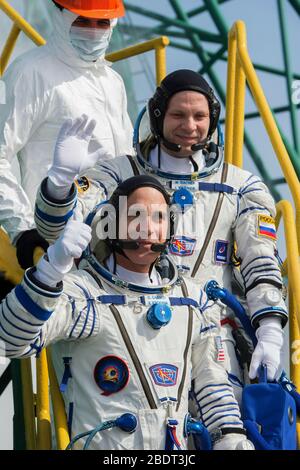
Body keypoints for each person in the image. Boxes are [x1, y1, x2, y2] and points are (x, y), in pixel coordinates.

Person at [34, 71, 288, 403]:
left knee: (227, 429)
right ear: (157, 116)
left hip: (213, 335)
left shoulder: (241, 187)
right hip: (130, 327)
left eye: (200, 116)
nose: (190, 125)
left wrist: (269, 332)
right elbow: (55, 230)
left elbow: (261, 260)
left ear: (212, 120)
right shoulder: (117, 175)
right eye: (178, 115)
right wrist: (60, 184)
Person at [0, 175, 253, 450]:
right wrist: (49, 271)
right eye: (135, 216)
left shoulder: (193, 301)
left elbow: (213, 386)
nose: (147, 228)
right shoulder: (84, 295)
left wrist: (230, 439)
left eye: (158, 218)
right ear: (110, 225)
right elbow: (12, 340)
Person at [0, 0, 133, 269]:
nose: (93, 31)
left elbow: (128, 159)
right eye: (83, 21)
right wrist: (23, 230)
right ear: (61, 17)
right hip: (52, 241)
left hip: (116, 246)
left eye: (101, 23)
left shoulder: (112, 81)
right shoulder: (30, 72)